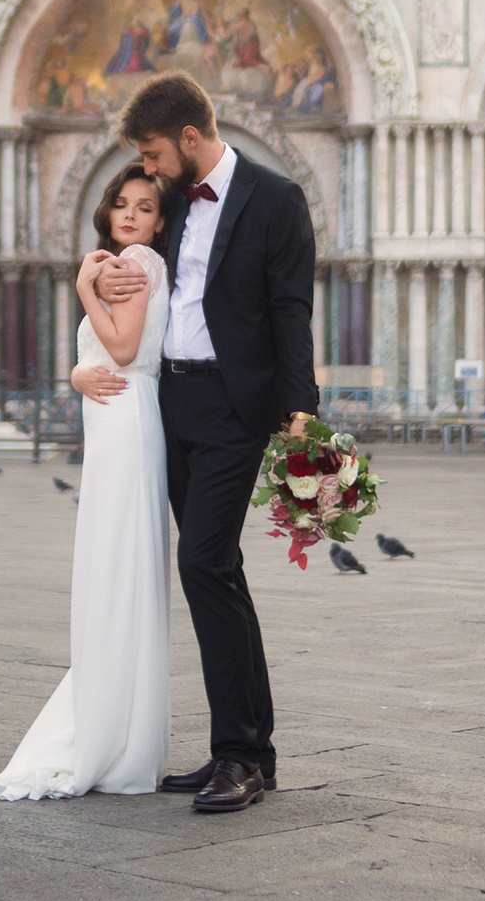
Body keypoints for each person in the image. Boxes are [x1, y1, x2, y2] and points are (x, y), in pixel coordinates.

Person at [73, 73, 316, 814]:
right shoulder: (171, 202)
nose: (146, 170)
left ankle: (238, 755)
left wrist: (301, 407)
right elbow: (127, 287)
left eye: (151, 154)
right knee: (223, 571)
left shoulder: (277, 199)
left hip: (234, 405)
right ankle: (251, 751)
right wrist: (82, 361)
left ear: (188, 137)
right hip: (165, 401)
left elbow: (290, 308)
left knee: (202, 561)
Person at [0, 164, 173, 801]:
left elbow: (121, 346)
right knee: (117, 570)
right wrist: (78, 373)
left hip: (127, 424)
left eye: (145, 206)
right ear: (106, 210)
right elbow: (107, 356)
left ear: (160, 221)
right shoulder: (126, 261)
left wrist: (82, 287)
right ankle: (119, 723)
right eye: (121, 203)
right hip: (116, 425)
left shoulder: (135, 261)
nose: (131, 215)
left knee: (117, 568)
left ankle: (112, 730)